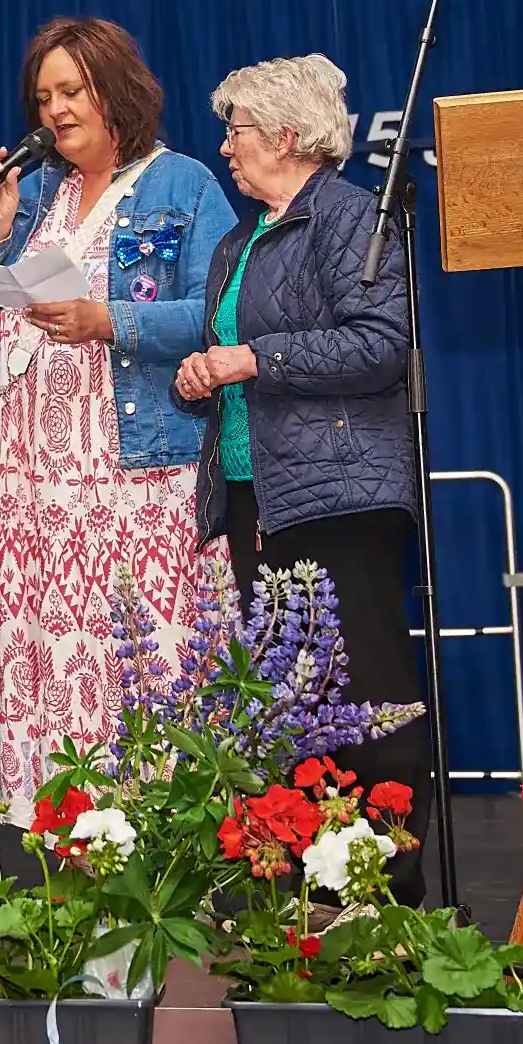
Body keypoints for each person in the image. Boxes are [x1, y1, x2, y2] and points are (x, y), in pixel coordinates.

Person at [0, 16, 237, 816]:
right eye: (44, 98)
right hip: (38, 487)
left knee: (147, 660)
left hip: (138, 476)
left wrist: (109, 320)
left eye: (72, 90)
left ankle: (158, 842)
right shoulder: (36, 193)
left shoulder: (182, 185)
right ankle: (67, 842)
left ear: (116, 90)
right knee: (54, 657)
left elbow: (221, 312)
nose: (56, 111)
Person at [174, 52, 430, 903]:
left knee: (371, 701)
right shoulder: (237, 242)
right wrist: (200, 373)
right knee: (291, 706)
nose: (226, 145)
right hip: (257, 495)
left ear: (286, 136)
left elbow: (380, 343)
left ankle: (386, 892)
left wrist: (253, 357)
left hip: (339, 494)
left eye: (237, 129)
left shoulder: (351, 217)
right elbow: (233, 357)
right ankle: (313, 893)